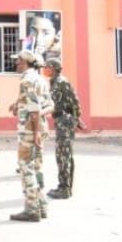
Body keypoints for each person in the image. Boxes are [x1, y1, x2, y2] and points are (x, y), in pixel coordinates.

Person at [10, 49, 50, 222]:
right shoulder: (40, 79)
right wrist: (18, 104)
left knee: (26, 168)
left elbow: (34, 110)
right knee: (37, 168)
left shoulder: (26, 80)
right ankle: (42, 206)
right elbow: (50, 105)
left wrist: (34, 133)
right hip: (40, 128)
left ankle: (32, 209)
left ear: (25, 62)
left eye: (18, 61)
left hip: (29, 130)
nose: (16, 63)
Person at [44, 55, 85, 199]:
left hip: (65, 121)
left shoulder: (60, 82)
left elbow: (71, 100)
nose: (45, 69)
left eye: (47, 67)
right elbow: (73, 100)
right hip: (64, 119)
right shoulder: (57, 81)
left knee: (63, 155)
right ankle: (65, 186)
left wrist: (77, 118)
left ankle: (65, 189)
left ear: (53, 69)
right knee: (64, 154)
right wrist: (77, 118)